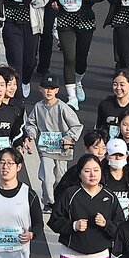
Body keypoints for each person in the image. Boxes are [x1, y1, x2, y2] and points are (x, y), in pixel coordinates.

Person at [49, 0, 104, 104]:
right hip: (65, 21)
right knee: (69, 57)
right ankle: (71, 96)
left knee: (80, 59)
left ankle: (78, 81)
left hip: (85, 20)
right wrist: (55, 3)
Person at [27, 74, 82, 205]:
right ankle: (48, 202)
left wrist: (69, 137)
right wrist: (31, 134)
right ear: (40, 89)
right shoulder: (38, 107)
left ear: (57, 90)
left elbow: (77, 125)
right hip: (46, 148)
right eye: (46, 88)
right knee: (47, 175)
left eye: (52, 88)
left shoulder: (63, 107)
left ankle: (60, 201)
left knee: (60, 177)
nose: (49, 91)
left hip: (62, 148)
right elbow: (31, 123)